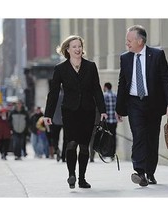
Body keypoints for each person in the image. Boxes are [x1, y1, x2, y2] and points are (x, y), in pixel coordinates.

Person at [43, 35, 107, 189]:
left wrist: (103, 110)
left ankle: (82, 178)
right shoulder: (60, 69)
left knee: (84, 146)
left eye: (79, 46)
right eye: (74, 47)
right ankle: (71, 175)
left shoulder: (90, 66)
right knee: (71, 144)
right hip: (70, 112)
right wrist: (48, 114)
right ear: (67, 49)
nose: (78, 49)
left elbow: (97, 89)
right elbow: (53, 93)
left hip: (87, 110)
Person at [115, 25, 168, 187]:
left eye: (129, 40)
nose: (127, 43)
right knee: (139, 136)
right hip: (134, 103)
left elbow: (165, 79)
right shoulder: (125, 58)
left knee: (151, 138)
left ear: (140, 41)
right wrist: (119, 108)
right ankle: (140, 172)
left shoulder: (157, 55)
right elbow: (122, 83)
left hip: (154, 103)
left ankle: (150, 172)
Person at [50, 85, 66, 162]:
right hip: (65, 120)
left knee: (55, 137)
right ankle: (63, 156)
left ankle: (56, 149)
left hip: (55, 120)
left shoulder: (55, 96)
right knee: (66, 138)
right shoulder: (67, 96)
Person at [103, 82, 117, 159]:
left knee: (105, 136)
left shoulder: (104, 95)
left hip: (107, 120)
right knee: (113, 137)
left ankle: (105, 153)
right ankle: (112, 154)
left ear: (106, 87)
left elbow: (103, 107)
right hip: (114, 120)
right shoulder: (115, 95)